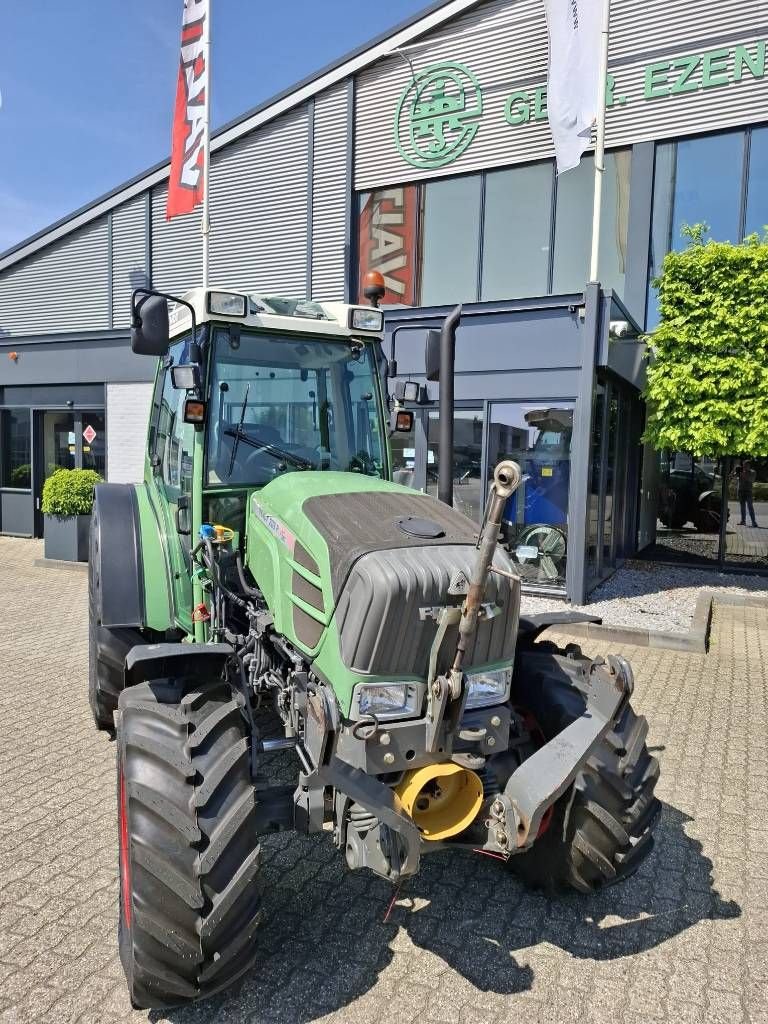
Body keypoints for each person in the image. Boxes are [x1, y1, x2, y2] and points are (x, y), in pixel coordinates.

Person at [734, 459, 758, 527]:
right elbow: (734, 477)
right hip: (741, 491)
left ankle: (754, 522)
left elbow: (751, 480)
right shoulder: (740, 471)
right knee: (742, 507)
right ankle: (743, 521)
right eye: (744, 465)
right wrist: (735, 471)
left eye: (746, 465)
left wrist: (744, 474)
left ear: (749, 465)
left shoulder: (752, 472)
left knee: (750, 507)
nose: (744, 466)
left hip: (748, 491)